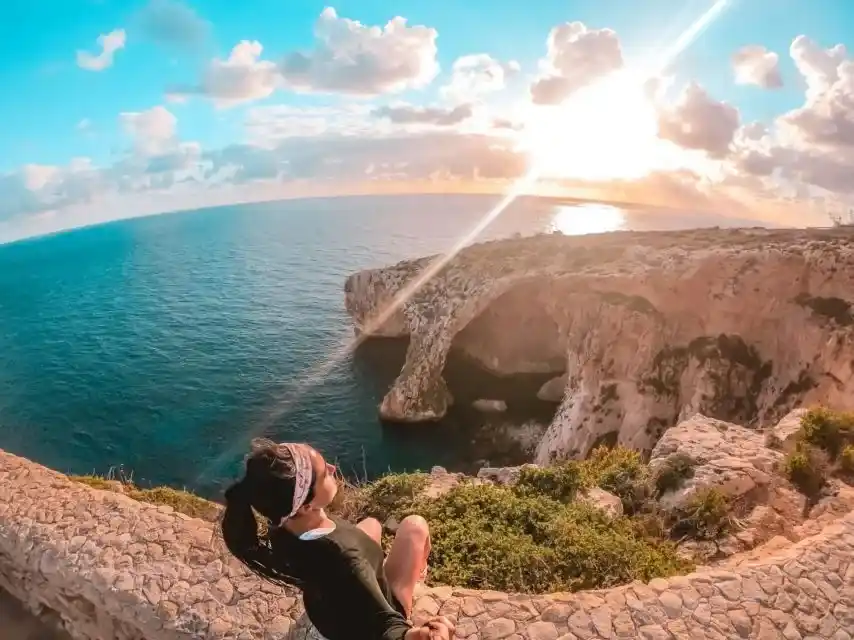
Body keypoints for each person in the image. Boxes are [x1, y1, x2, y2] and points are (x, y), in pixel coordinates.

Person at [220, 438, 454, 640]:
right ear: (306, 505)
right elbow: (387, 627)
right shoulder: (347, 558)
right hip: (364, 622)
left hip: (328, 614)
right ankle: (419, 576)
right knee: (415, 526)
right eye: (324, 474)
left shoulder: (282, 524)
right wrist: (415, 635)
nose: (332, 468)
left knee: (371, 524)